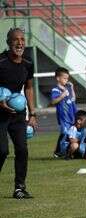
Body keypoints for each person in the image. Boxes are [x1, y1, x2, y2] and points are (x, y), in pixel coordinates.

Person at [0, 28, 38, 199]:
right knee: (1, 151)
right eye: (16, 39)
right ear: (8, 42)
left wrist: (33, 113)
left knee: (22, 149)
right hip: (0, 113)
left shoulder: (28, 64)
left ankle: (19, 188)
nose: (20, 43)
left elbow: (29, 88)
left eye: (22, 39)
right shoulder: (0, 61)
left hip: (18, 113)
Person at [51, 67, 77, 157]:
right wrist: (62, 96)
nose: (66, 80)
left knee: (71, 133)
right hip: (64, 117)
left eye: (67, 78)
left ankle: (68, 150)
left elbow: (73, 98)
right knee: (64, 132)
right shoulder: (56, 90)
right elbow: (53, 101)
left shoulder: (68, 88)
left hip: (72, 115)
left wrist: (72, 88)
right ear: (58, 78)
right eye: (64, 78)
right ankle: (58, 151)